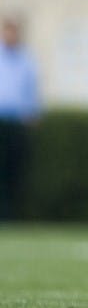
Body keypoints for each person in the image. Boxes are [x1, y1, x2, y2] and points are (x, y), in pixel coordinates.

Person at [0, 15, 42, 220]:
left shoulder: (26, 60)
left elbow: (31, 92)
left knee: (14, 172)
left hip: (16, 124)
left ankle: (11, 216)